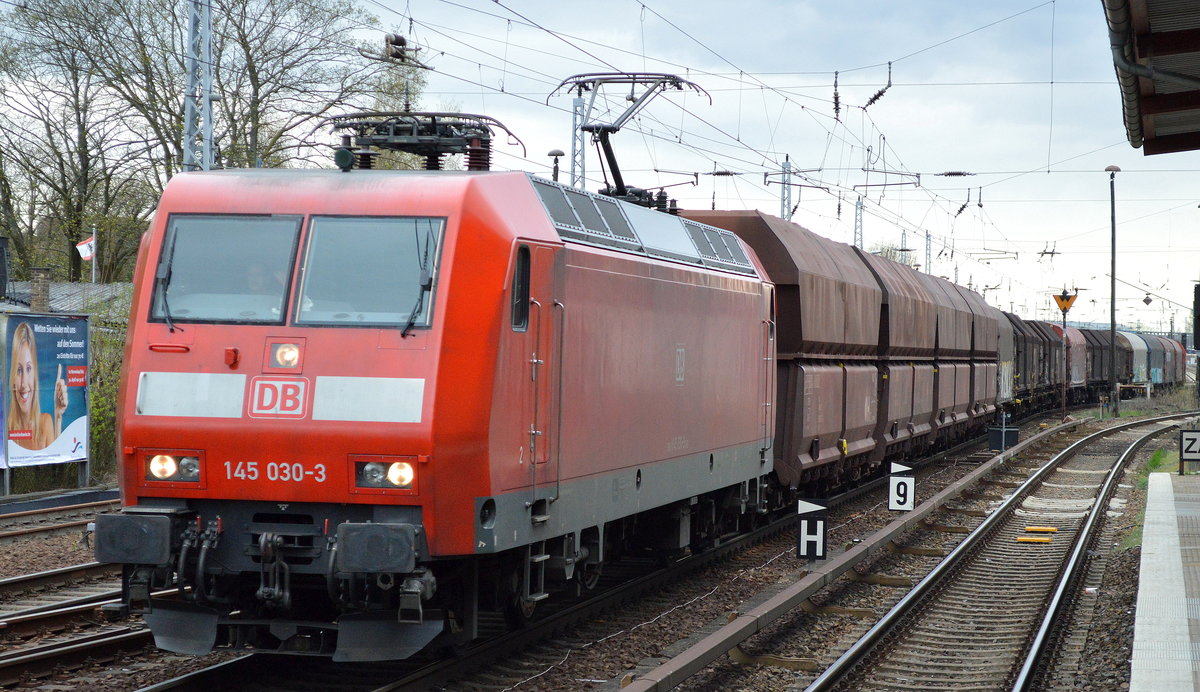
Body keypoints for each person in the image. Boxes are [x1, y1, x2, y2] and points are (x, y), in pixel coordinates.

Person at [7, 322, 67, 450]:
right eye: (18, 370)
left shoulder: (45, 423)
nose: (24, 384)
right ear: (12, 377)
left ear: (35, 374)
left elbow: (54, 458)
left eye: (28, 368)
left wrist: (58, 417)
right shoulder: (5, 428)